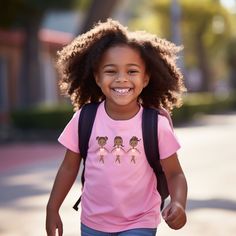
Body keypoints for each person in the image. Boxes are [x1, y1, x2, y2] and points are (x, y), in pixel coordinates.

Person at [46, 18, 188, 236]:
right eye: (111, 71)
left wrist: (178, 203)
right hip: (93, 222)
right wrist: (52, 207)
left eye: (132, 71)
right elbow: (68, 168)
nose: (122, 79)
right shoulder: (85, 118)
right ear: (97, 77)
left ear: (146, 78)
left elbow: (175, 174)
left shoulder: (155, 124)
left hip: (140, 221)